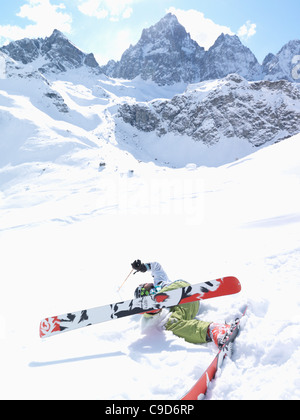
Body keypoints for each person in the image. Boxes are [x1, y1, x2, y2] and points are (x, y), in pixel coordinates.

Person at [131, 260, 231, 347]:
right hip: (189, 307)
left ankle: (153, 308)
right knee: (170, 325)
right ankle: (213, 330)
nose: (145, 288)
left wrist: (143, 267)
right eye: (143, 293)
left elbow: (156, 267)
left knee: (160, 304)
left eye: (143, 287)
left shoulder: (160, 281)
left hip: (181, 289)